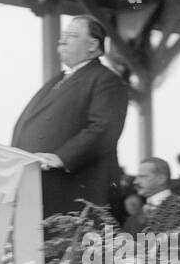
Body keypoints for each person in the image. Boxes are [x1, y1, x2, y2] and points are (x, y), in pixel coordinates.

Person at [11, 15, 129, 219]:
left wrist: (62, 156)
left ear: (93, 45)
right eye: (63, 35)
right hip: (39, 185)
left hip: (75, 190)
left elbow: (103, 128)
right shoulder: (58, 80)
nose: (62, 40)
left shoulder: (105, 80)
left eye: (72, 35)